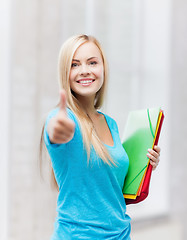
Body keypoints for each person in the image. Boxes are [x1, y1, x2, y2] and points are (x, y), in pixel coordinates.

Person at [40, 34, 161, 240]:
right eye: (74, 64)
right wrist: (57, 130)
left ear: (103, 67)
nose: (85, 70)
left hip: (121, 234)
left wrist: (146, 164)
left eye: (92, 62)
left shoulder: (110, 123)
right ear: (65, 73)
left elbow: (110, 188)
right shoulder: (63, 119)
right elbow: (55, 131)